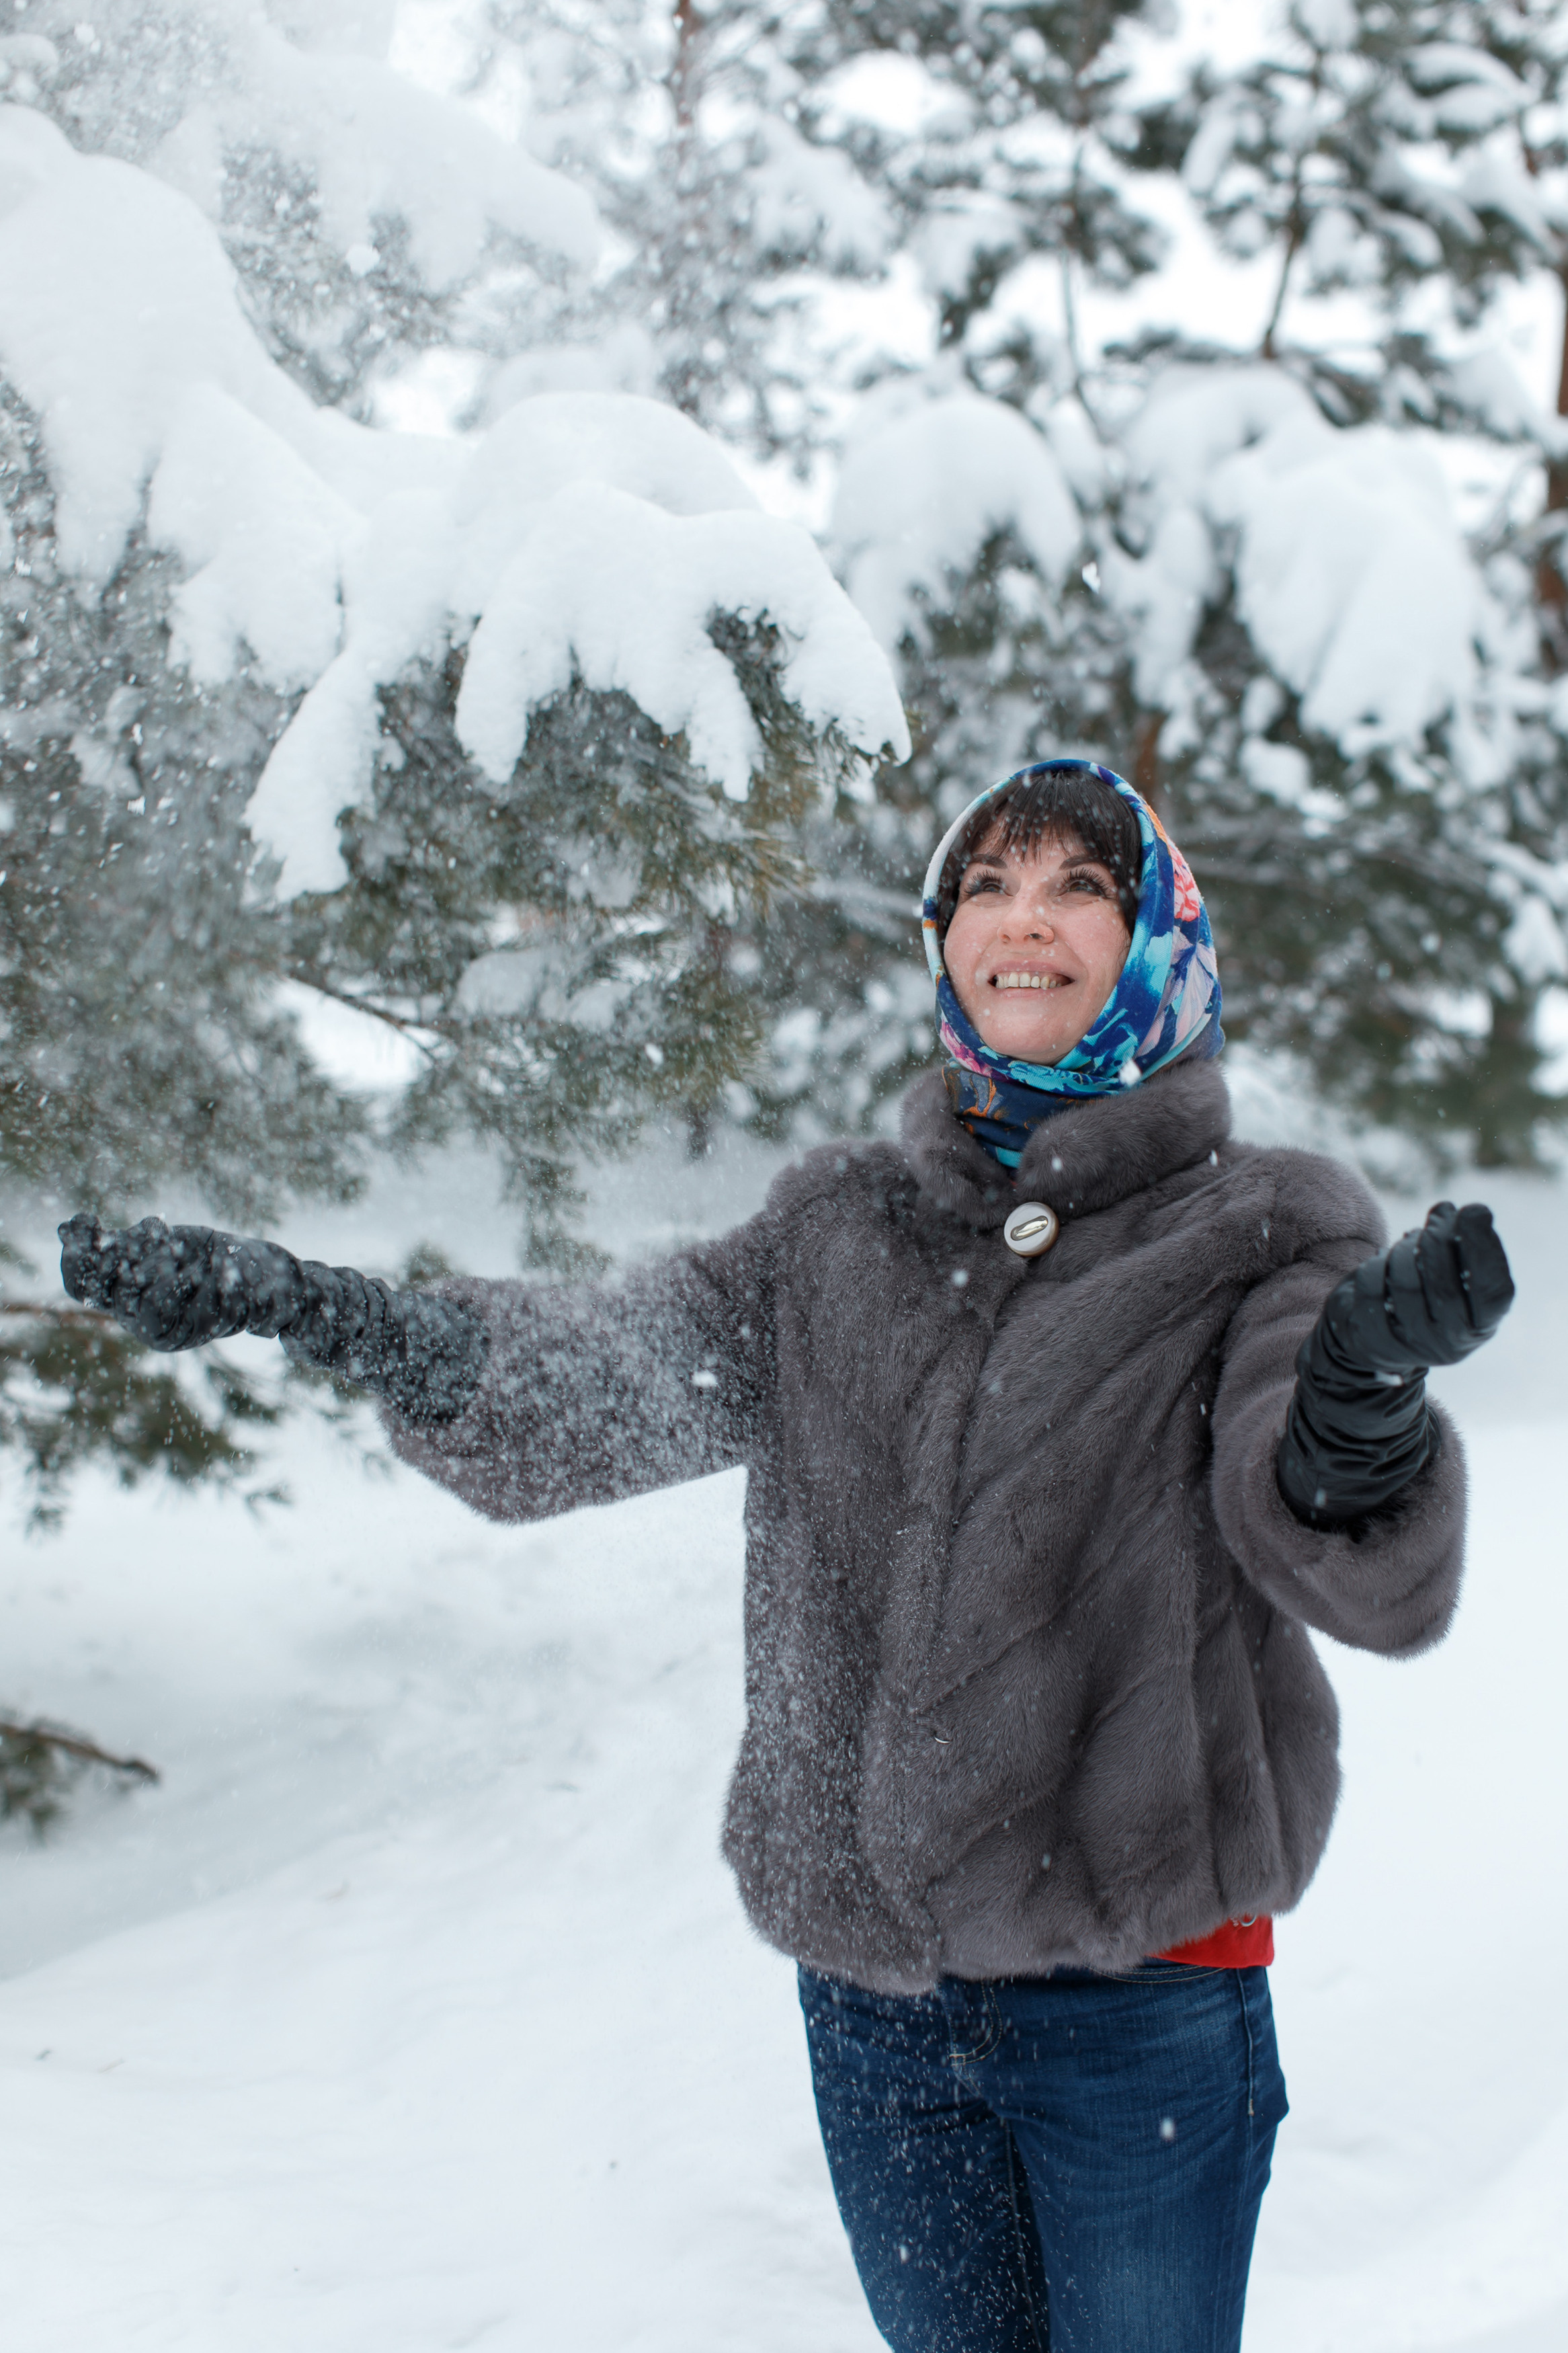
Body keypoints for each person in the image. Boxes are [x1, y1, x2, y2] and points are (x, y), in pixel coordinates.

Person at [59, 760, 1514, 2353]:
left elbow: (1327, 1540)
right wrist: (337, 1314)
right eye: (987, 886)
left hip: (1139, 1996)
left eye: (1078, 887)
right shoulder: (840, 1231)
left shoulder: (1264, 1228)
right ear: (944, 938)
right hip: (878, 2009)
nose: (1023, 919)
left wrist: (1358, 1402)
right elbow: (606, 1380)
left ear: (1160, 940)